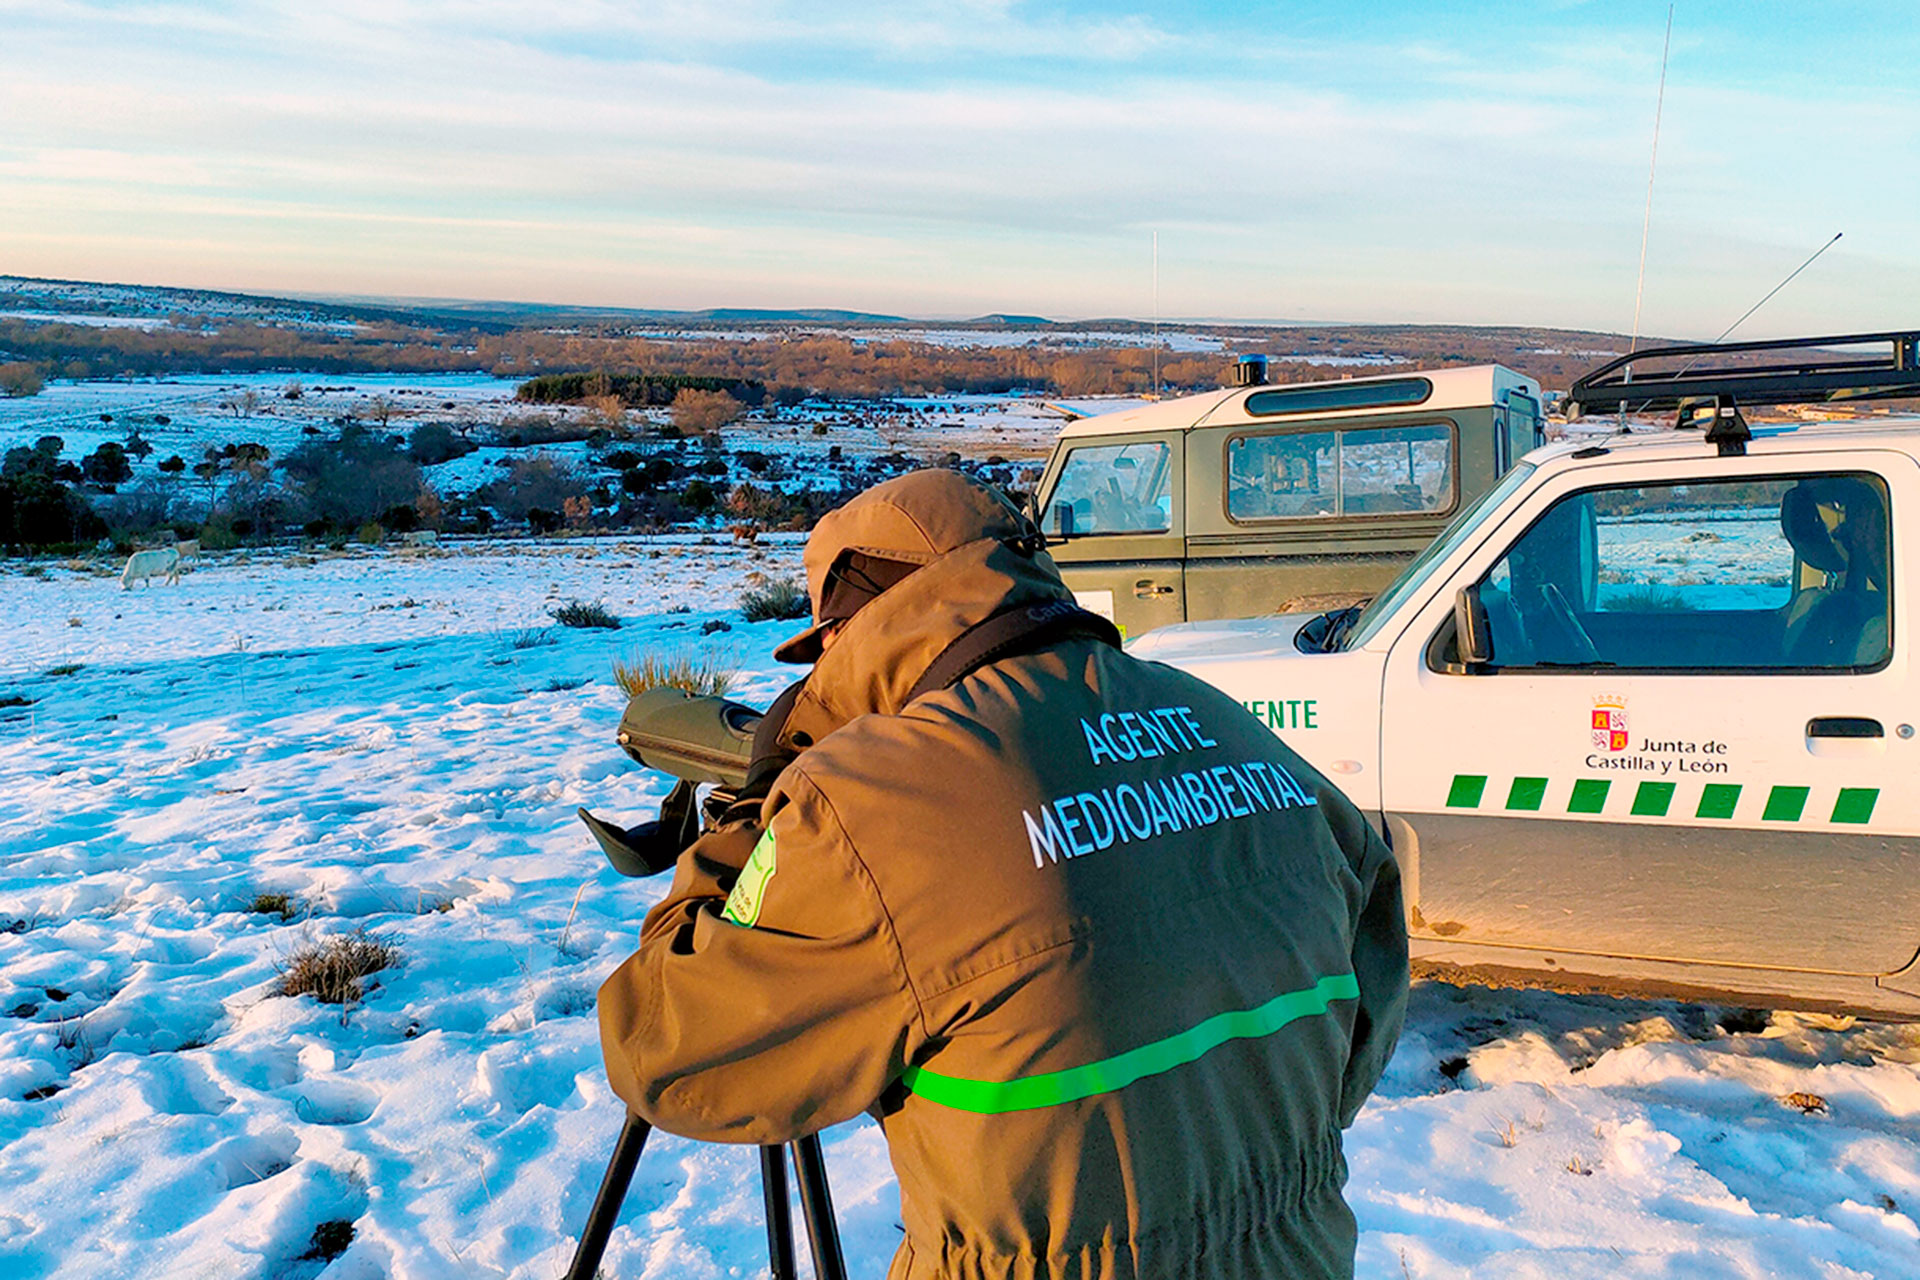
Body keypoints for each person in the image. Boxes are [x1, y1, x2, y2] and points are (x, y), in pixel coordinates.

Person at [597, 469, 1408, 1280]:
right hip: (1299, 1248)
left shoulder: (875, 802)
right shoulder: (1220, 718)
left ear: (857, 614)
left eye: (824, 645)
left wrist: (754, 818)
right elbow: (1372, 949)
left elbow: (662, 1047)